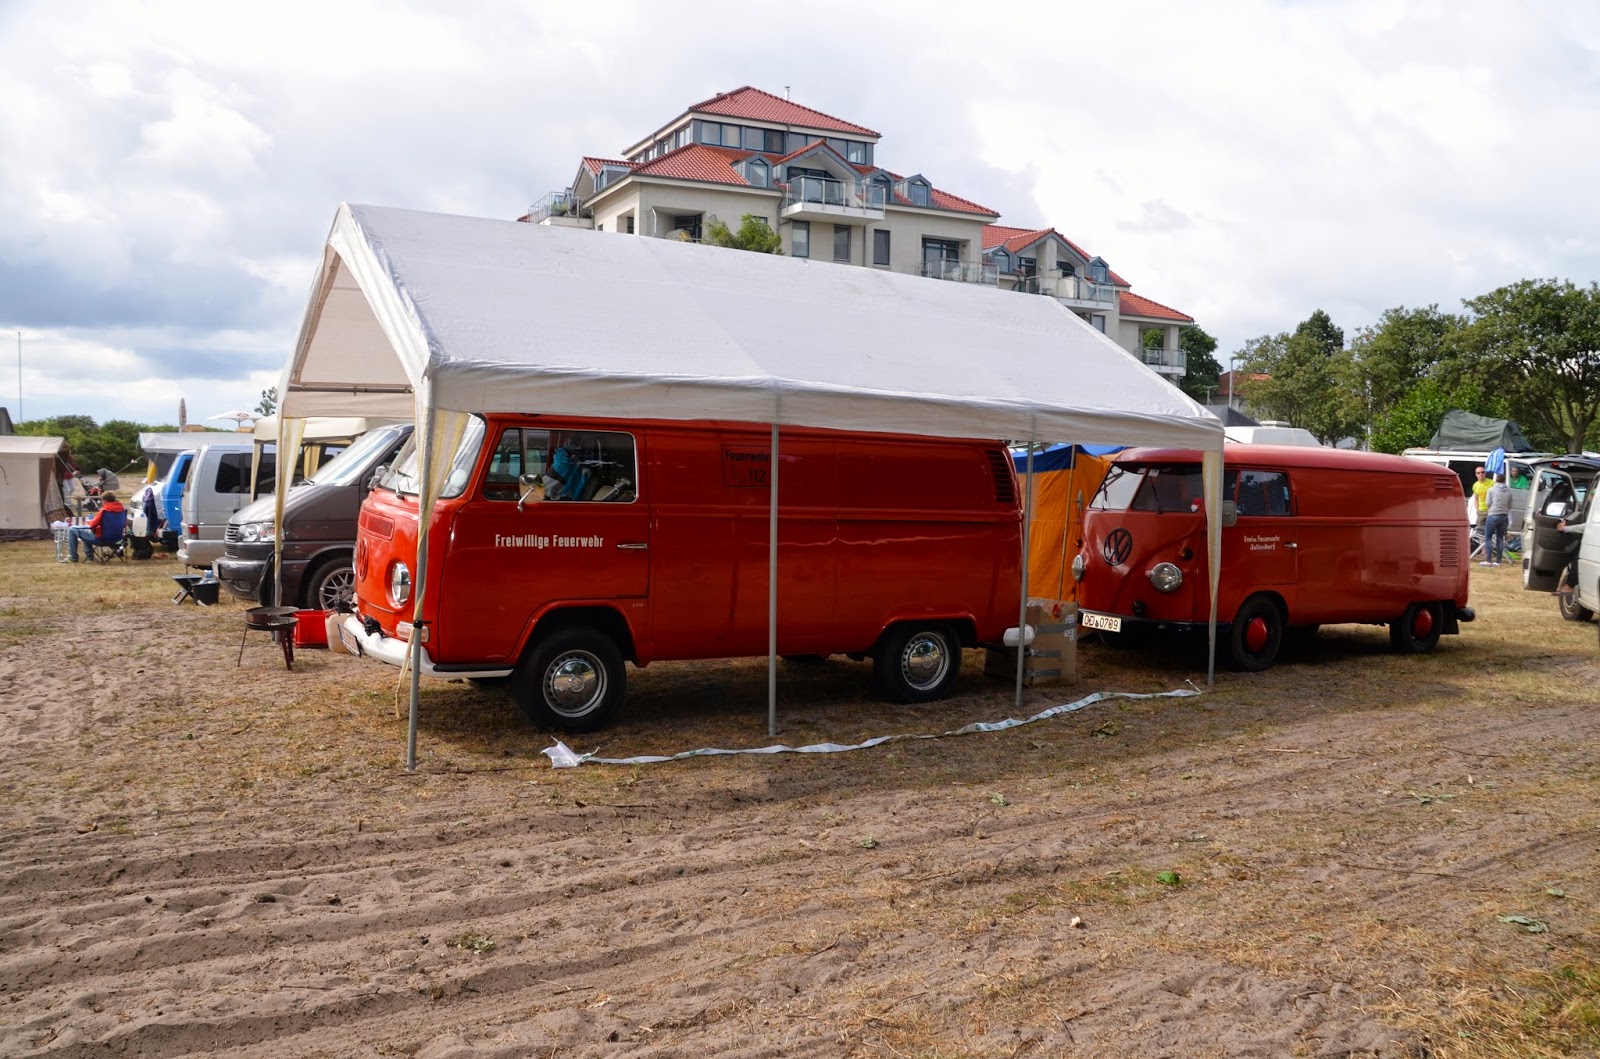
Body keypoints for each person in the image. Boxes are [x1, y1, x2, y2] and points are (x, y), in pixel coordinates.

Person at [66, 491, 125, 563]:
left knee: (72, 529)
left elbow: (92, 525)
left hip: (102, 539)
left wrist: (88, 522)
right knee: (85, 533)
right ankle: (89, 558)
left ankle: (73, 557)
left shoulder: (105, 510)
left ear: (105, 501)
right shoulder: (121, 510)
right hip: (117, 539)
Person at [1480, 473, 1512, 567]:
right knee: (1500, 538)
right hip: (1504, 515)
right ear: (1504, 481)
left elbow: (1488, 503)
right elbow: (1510, 506)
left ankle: (1488, 560)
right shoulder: (1509, 491)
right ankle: (1498, 561)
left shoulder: (1491, 490)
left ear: (1496, 480)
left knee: (1488, 537)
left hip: (1493, 514)